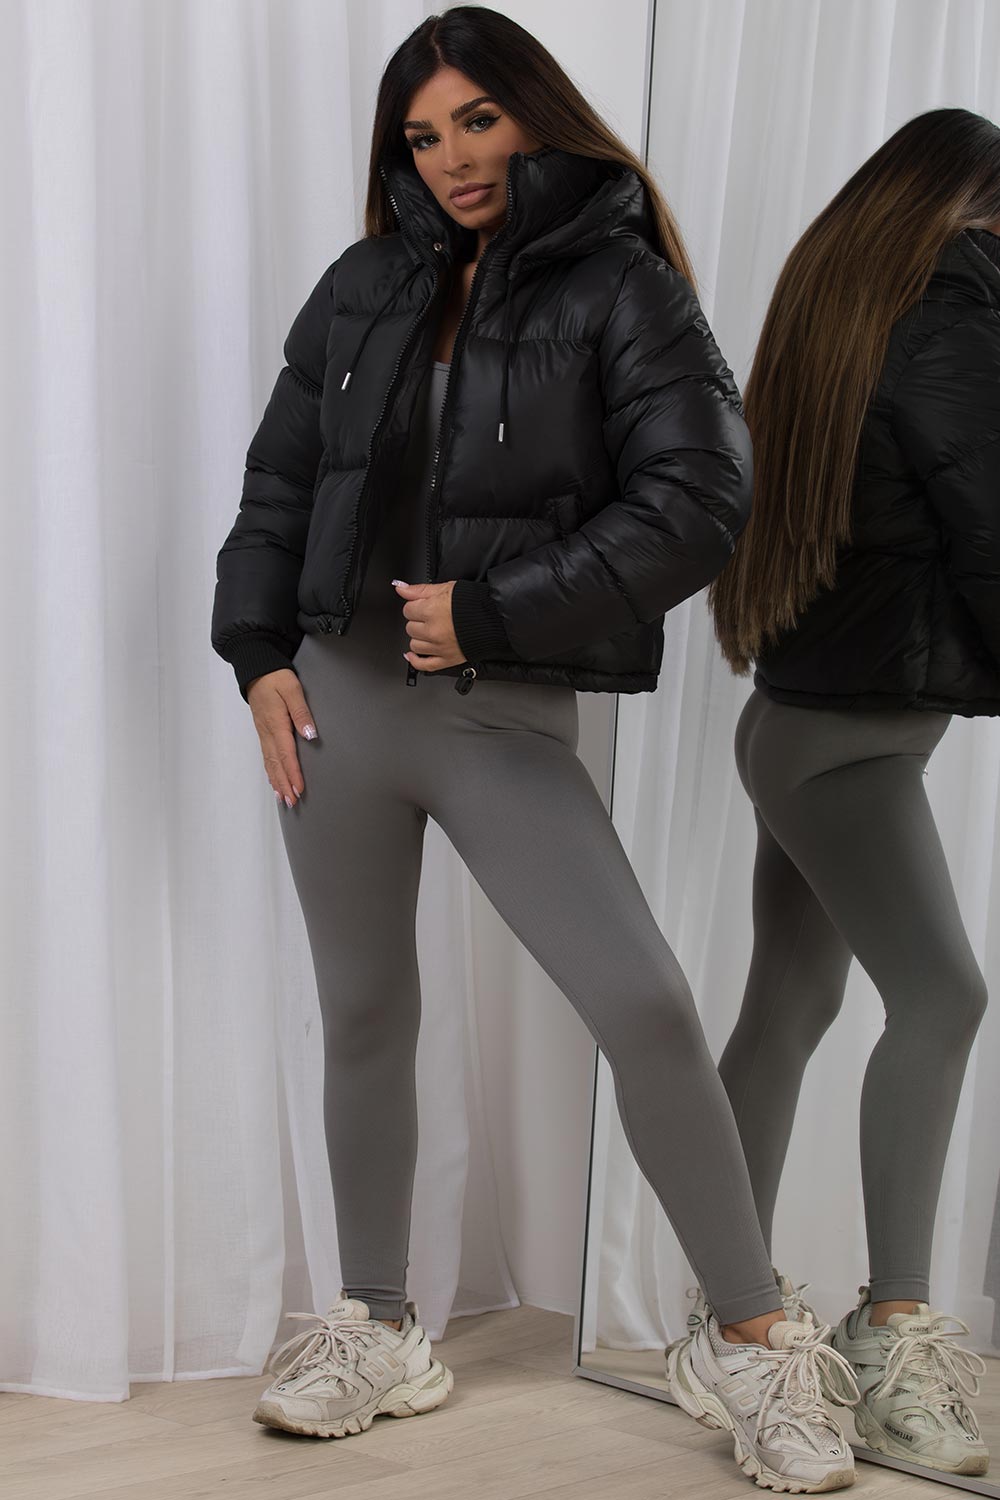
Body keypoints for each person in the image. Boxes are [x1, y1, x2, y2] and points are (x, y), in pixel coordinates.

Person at [211, 9, 861, 1491]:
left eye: (477, 121)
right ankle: (379, 1327)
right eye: (422, 135)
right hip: (337, 701)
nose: (451, 158)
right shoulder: (364, 282)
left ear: (534, 114)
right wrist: (257, 655)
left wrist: (493, 608)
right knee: (363, 1010)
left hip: (495, 709)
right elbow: (279, 481)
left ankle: (750, 1337)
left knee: (642, 1001)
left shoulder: (624, 286)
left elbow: (698, 497)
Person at [699, 107, 1000, 1480]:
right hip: (854, 747)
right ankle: (894, 1335)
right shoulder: (951, 315)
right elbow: (990, 524)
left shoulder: (842, 310)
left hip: (805, 724)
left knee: (791, 1006)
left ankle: (733, 1316)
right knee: (944, 996)